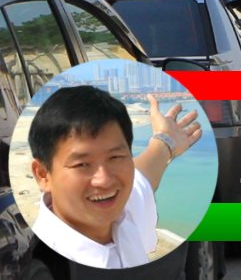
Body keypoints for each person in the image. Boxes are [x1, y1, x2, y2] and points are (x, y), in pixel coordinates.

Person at [29, 85, 202, 269]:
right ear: (43, 175)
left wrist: (166, 140)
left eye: (115, 157)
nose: (104, 180)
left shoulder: (123, 213)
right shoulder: (40, 266)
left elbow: (143, 176)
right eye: (82, 164)